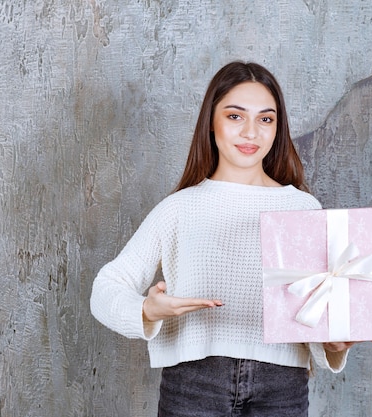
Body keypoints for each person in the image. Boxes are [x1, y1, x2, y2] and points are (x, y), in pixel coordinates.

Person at [90, 61, 357, 416]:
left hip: (282, 387)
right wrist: (146, 310)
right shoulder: (179, 208)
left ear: (277, 129)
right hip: (194, 383)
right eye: (235, 116)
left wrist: (335, 344)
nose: (251, 132)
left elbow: (314, 313)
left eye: (265, 119)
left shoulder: (303, 207)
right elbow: (106, 288)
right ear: (211, 123)